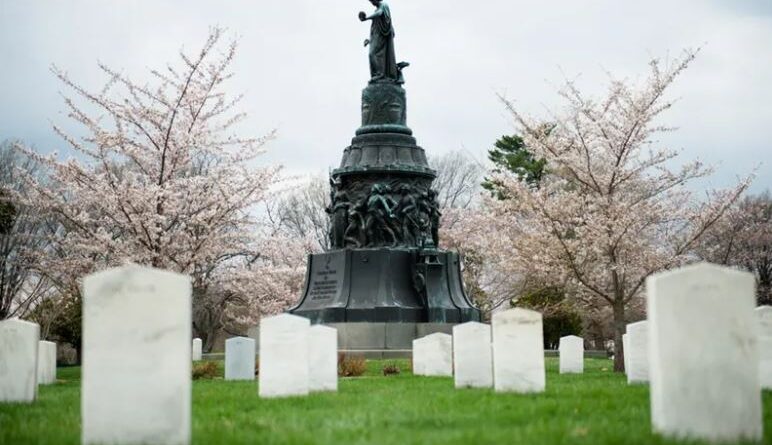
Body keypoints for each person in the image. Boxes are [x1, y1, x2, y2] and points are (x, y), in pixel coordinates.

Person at [359, 1, 399, 82]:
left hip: (382, 36)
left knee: (373, 54)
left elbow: (380, 13)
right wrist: (369, 40)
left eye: (372, 0)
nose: (372, 2)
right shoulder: (376, 12)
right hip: (376, 36)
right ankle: (377, 74)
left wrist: (366, 18)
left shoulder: (383, 5)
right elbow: (375, 29)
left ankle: (380, 74)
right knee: (372, 54)